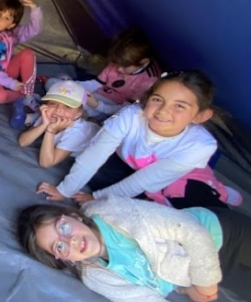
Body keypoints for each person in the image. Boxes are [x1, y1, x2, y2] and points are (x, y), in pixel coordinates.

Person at [17, 196, 250, 302]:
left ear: (73, 216)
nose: (71, 241)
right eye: (59, 246)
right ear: (62, 259)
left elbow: (191, 230)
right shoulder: (96, 276)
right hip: (214, 269)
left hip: (223, 234)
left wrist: (205, 285)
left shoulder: (115, 212)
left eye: (64, 228)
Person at [37, 71, 242, 209]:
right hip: (132, 164)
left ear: (199, 116)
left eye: (179, 106)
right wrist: (65, 190)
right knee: (95, 172)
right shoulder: (130, 115)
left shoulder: (200, 146)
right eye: (157, 100)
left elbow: (142, 181)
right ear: (147, 99)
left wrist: (96, 198)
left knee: (190, 208)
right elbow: (93, 155)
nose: (163, 111)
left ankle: (218, 191)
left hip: (181, 177)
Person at [46, 27, 161, 120]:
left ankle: (68, 103)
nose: (119, 69)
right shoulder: (119, 60)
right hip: (93, 95)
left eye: (124, 66)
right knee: (51, 83)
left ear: (143, 62)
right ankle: (66, 85)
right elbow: (96, 83)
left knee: (79, 108)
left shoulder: (148, 81)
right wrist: (74, 85)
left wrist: (97, 105)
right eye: (117, 64)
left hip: (107, 106)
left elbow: (124, 110)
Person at [0, 0, 42, 118]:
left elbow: (33, 30)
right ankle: (22, 96)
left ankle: (28, 95)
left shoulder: (9, 35)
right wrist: (11, 83)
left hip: (6, 72)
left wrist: (35, 9)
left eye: (6, 18)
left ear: (11, 25)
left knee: (28, 53)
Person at [18, 80, 99, 168]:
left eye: (67, 107)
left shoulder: (77, 133)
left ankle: (94, 121)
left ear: (78, 114)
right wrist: (44, 124)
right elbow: (22, 142)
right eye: (53, 104)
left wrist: (50, 130)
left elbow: (46, 163)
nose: (58, 110)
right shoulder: (50, 115)